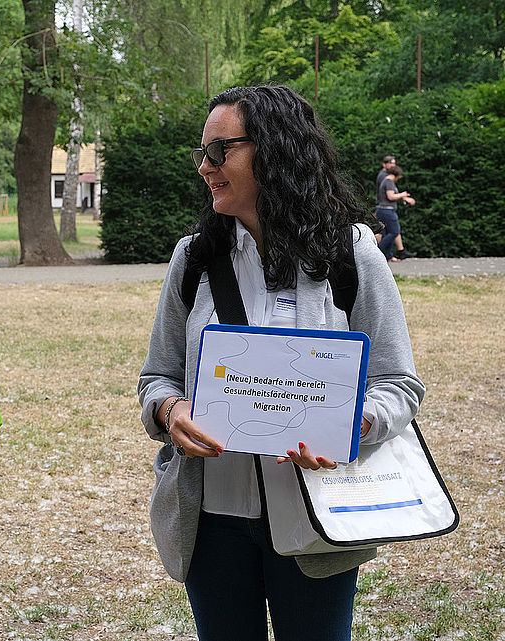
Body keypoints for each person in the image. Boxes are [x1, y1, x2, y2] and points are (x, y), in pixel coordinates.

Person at [139, 86, 424, 641]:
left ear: (274, 151)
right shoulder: (193, 258)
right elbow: (157, 378)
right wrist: (170, 412)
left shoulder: (352, 256)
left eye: (220, 151)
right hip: (212, 522)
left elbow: (399, 384)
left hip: (317, 518)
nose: (204, 167)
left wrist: (350, 424)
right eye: (201, 152)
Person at [375, 155, 415, 259]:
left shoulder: (386, 179)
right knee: (394, 232)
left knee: (388, 233)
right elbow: (390, 196)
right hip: (387, 210)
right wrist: (403, 195)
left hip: (383, 210)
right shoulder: (388, 181)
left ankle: (388, 256)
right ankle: (377, 251)